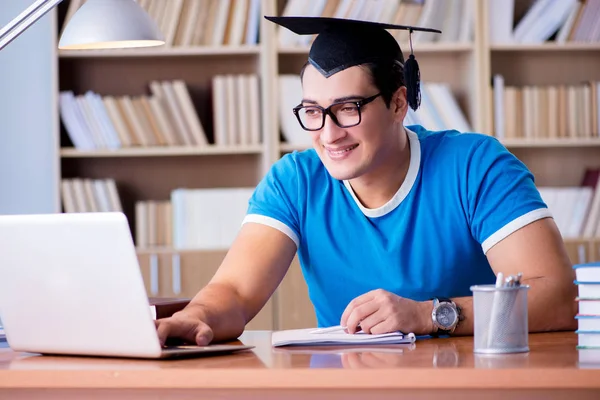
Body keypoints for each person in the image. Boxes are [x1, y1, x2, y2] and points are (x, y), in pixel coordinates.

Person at [156, 16, 577, 346]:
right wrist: (196, 317)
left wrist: (427, 315)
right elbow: (233, 291)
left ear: (398, 103)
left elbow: (557, 298)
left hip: (466, 383)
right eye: (312, 111)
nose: (328, 133)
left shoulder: (475, 166)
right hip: (346, 385)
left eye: (348, 108)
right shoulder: (296, 181)